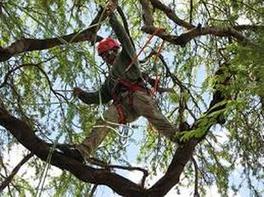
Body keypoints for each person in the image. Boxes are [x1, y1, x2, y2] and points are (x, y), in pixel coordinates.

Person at [57, 12, 177, 163]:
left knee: (154, 117)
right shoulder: (110, 81)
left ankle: (179, 138)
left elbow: (125, 38)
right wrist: (81, 94)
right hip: (123, 107)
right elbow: (98, 97)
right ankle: (82, 152)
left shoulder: (126, 56)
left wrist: (111, 17)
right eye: (104, 57)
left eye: (107, 54)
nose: (106, 58)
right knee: (105, 119)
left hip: (138, 97)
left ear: (115, 50)